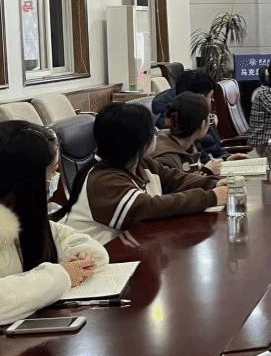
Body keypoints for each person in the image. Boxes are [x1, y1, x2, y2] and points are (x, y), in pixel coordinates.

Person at [58, 103, 228, 245]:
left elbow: (175, 179)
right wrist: (210, 197)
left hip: (127, 251)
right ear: (137, 142)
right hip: (90, 260)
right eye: (151, 130)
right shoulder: (104, 181)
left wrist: (213, 183)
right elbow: (150, 208)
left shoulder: (140, 163)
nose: (156, 134)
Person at [0, 121, 108, 324]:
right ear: (28, 179)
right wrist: (63, 275)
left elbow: (89, 248)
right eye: (52, 171)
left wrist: (78, 258)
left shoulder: (23, 215)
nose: (55, 179)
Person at [152, 70, 246, 162]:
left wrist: (226, 158)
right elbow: (202, 162)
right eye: (210, 96)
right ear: (199, 98)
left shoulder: (195, 116)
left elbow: (213, 153)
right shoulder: (180, 125)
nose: (213, 100)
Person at [151, 93, 222, 175]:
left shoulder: (189, 144)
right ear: (202, 125)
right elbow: (178, 182)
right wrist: (206, 172)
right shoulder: (165, 159)